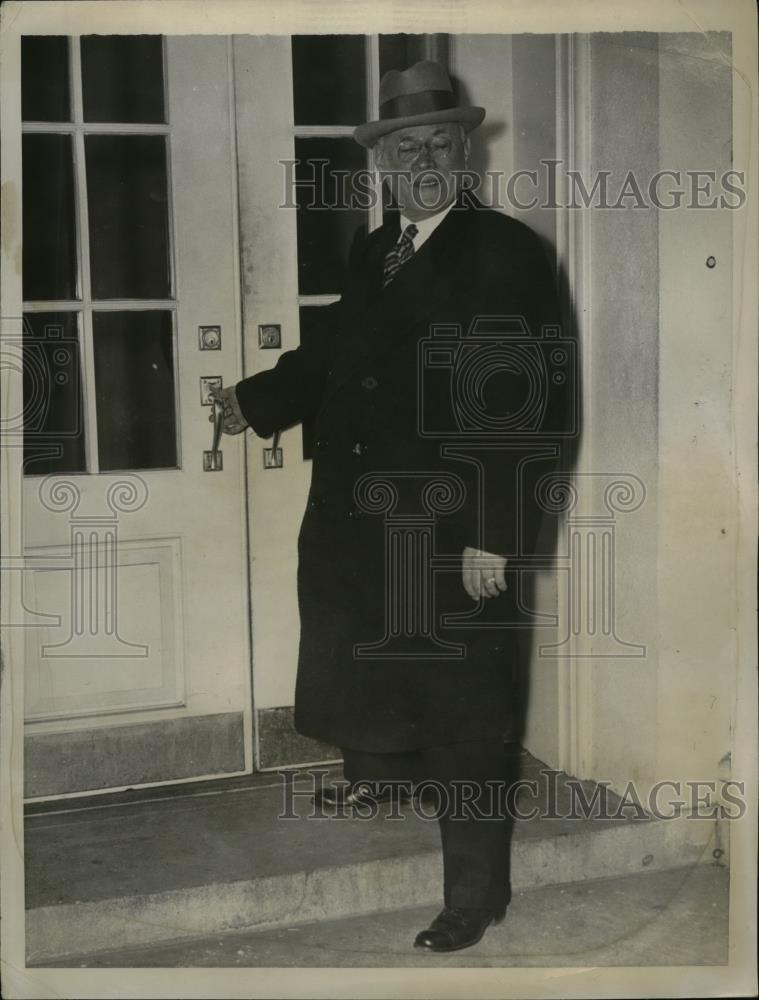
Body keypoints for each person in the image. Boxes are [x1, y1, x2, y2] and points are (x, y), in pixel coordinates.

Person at [214, 60, 569, 952]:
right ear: (382, 162)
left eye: (437, 143)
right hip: (366, 517)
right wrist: (254, 400)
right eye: (403, 145)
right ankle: (382, 774)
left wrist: (494, 535)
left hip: (452, 525)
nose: (422, 159)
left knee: (465, 713)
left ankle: (476, 896)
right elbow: (334, 348)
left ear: (463, 154)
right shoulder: (377, 249)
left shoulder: (505, 252)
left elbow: (527, 407)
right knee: (378, 668)